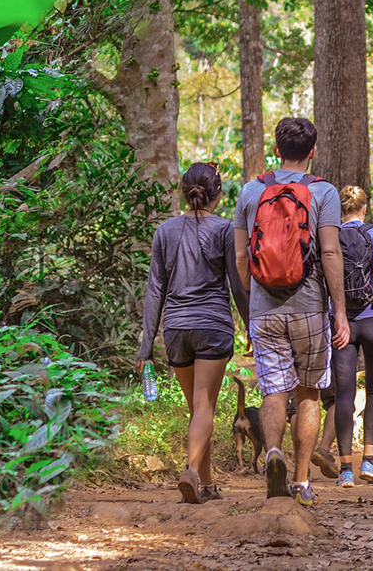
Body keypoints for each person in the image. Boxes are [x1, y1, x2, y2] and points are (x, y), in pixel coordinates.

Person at [233, 117, 351, 506]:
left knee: (273, 389)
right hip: (309, 308)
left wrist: (252, 297)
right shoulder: (323, 192)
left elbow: (240, 257)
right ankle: (300, 481)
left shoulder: (251, 190)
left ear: (276, 150)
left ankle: (272, 453)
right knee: (308, 393)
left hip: (264, 308)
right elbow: (330, 252)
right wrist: (340, 310)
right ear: (313, 151)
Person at [137, 162, 250, 504]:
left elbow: (155, 290)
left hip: (175, 329)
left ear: (185, 192)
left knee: (198, 409)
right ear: (217, 194)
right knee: (204, 406)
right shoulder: (225, 230)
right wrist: (252, 328)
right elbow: (237, 286)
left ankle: (207, 485)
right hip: (212, 326)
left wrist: (145, 348)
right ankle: (190, 470)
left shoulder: (165, 231)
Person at [328, 186, 373, 486]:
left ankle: (345, 470)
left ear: (340, 210)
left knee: (344, 393)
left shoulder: (330, 237)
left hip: (341, 321)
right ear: (365, 209)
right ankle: (369, 462)